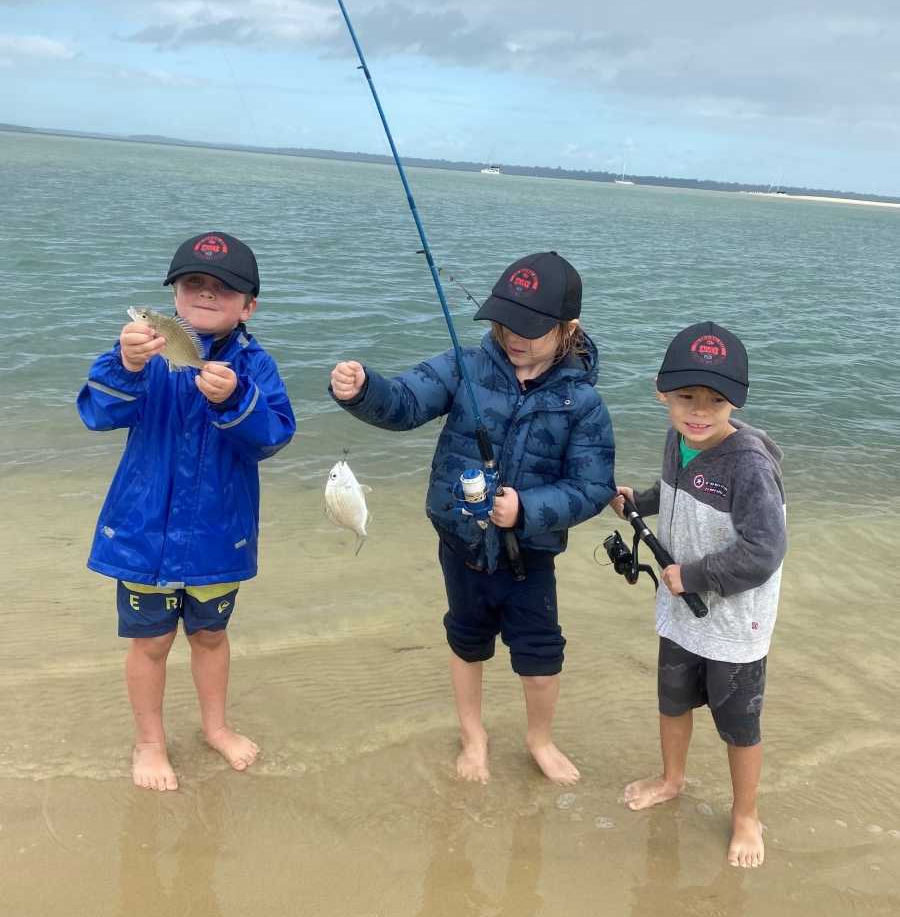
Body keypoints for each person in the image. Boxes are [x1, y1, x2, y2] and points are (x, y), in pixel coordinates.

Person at [330, 252, 616, 785]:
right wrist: (364, 389)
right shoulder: (464, 367)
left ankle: (540, 739)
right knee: (466, 638)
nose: (514, 337)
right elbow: (406, 402)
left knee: (540, 654)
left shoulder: (583, 403)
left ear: (567, 328)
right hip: (461, 541)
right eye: (505, 322)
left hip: (528, 555)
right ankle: (473, 737)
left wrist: (527, 509)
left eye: (531, 329)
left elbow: (592, 486)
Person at [77, 232, 295, 791]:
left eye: (223, 289)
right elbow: (97, 415)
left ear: (249, 307)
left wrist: (236, 401)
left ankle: (215, 727)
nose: (205, 293)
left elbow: (272, 437)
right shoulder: (144, 354)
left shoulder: (257, 367)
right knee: (149, 642)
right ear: (172, 297)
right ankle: (149, 742)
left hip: (219, 537)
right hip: (144, 534)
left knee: (211, 636)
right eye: (193, 283)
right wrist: (125, 364)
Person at [614, 322, 786, 868]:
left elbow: (764, 551)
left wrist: (694, 576)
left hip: (735, 623)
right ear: (661, 391)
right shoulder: (678, 438)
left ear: (736, 401)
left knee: (739, 724)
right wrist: (637, 501)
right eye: (687, 396)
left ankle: (744, 816)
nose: (699, 411)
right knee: (672, 700)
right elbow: (676, 495)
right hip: (681, 614)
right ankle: (672, 780)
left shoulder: (750, 464)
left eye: (716, 401)